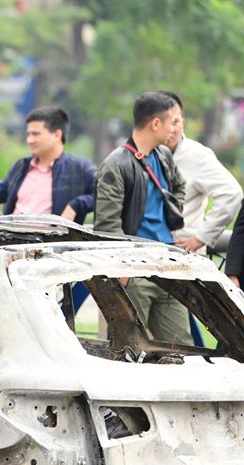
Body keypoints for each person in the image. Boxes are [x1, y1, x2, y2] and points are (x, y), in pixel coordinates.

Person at [94, 91, 189, 344]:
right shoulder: (116, 164)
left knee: (181, 346)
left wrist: (171, 210)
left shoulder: (164, 156)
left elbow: (180, 186)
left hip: (169, 264)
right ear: (155, 123)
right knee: (129, 347)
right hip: (134, 268)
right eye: (172, 122)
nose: (175, 129)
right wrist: (120, 268)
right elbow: (107, 224)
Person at [158, 90, 242, 255]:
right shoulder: (141, 154)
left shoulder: (197, 155)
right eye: (165, 122)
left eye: (176, 121)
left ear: (183, 122)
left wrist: (202, 238)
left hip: (182, 255)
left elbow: (231, 193)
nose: (172, 129)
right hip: (143, 254)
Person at [0, 106, 97, 223]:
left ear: (57, 135)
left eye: (35, 134)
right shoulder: (21, 167)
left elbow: (105, 194)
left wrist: (76, 205)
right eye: (28, 134)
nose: (29, 140)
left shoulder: (79, 169)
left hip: (52, 240)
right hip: (10, 237)